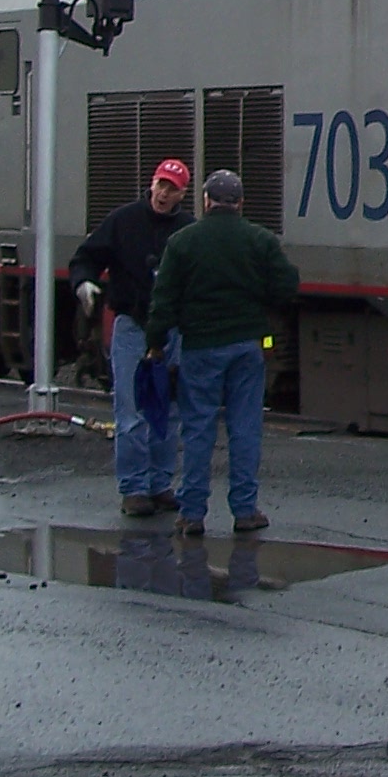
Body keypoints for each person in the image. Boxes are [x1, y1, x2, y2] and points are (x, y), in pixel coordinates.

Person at [145, 169, 299, 539]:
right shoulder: (260, 240)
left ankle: (192, 514)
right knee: (245, 428)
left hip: (200, 347)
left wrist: (155, 343)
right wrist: (260, 304)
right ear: (240, 203)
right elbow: (287, 286)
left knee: (198, 429)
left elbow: (163, 300)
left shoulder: (183, 242)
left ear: (205, 201)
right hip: (247, 346)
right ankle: (245, 510)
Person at [70, 155, 194, 518]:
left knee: (168, 410)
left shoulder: (187, 230)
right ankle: (134, 488)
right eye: (161, 185)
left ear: (182, 194)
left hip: (172, 329)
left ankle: (160, 484)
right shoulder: (123, 221)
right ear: (152, 184)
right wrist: (84, 283)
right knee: (132, 410)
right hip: (132, 326)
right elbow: (86, 257)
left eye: (172, 189)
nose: (163, 194)